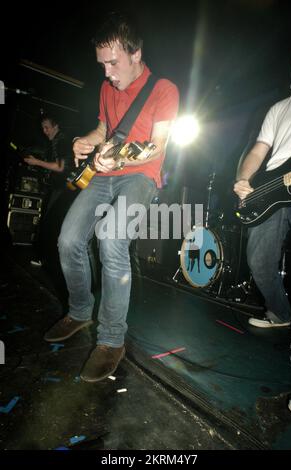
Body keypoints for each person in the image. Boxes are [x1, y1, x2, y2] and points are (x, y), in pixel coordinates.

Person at [44, 12, 179, 382]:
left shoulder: (164, 90)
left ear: (136, 54)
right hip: (102, 177)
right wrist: (89, 140)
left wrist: (116, 155)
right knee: (68, 240)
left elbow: (157, 144)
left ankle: (111, 340)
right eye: (102, 64)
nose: (106, 72)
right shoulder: (107, 89)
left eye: (113, 63)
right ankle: (80, 310)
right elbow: (106, 128)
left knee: (111, 239)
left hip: (140, 177)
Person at [233, 44, 291, 328]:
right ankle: (280, 313)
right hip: (272, 187)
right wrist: (243, 179)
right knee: (258, 261)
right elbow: (259, 151)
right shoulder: (279, 108)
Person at [24, 115, 76, 303]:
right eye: (43, 128)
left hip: (65, 188)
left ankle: (49, 260)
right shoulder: (53, 142)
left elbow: (62, 167)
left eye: (47, 127)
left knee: (51, 224)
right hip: (58, 187)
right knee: (49, 223)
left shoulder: (62, 140)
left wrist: (37, 163)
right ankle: (46, 258)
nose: (44, 131)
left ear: (56, 126)